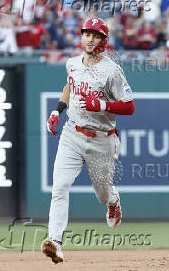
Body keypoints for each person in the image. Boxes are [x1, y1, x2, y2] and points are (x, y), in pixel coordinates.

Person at [41, 17, 135, 264]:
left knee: (102, 195)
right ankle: (56, 242)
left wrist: (101, 104)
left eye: (96, 35)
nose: (90, 38)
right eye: (86, 34)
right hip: (72, 133)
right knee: (59, 188)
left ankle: (113, 201)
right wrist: (56, 111)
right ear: (81, 36)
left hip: (101, 139)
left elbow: (129, 106)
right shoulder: (72, 63)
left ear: (104, 40)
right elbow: (70, 87)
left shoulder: (111, 70)